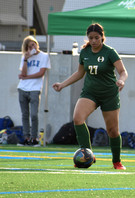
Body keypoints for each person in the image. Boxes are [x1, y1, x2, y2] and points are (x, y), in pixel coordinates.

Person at [53, 23, 128, 170]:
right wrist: (62, 84)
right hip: (90, 93)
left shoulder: (110, 52)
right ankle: (87, 155)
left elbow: (123, 71)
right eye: (91, 38)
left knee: (112, 131)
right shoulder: (85, 52)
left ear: (102, 37)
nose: (93, 41)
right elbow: (80, 73)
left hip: (109, 94)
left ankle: (117, 162)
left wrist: (121, 81)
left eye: (97, 38)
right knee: (78, 118)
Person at [17, 35, 51, 146]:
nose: (33, 47)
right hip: (23, 88)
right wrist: (26, 59)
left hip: (35, 89)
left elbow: (41, 73)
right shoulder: (25, 57)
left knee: (34, 115)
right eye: (30, 46)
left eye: (34, 44)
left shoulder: (44, 56)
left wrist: (26, 77)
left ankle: (34, 138)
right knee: (24, 114)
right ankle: (26, 138)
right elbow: (23, 73)